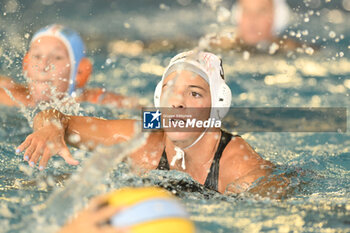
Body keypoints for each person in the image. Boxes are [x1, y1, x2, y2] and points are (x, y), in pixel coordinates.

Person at [17, 50, 288, 197]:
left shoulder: (236, 161)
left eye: (194, 93)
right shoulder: (144, 136)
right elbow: (56, 116)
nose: (178, 102)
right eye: (171, 91)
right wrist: (50, 128)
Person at [0, 24, 140, 108]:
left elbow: (157, 118)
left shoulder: (97, 101)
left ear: (80, 72)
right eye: (36, 56)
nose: (43, 66)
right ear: (26, 66)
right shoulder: (10, 96)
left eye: (57, 57)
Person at [209, 0, 303, 53]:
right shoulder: (216, 46)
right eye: (246, 10)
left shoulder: (292, 50)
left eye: (261, 11)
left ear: (277, 17)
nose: (252, 19)